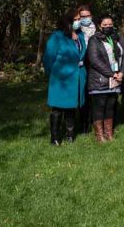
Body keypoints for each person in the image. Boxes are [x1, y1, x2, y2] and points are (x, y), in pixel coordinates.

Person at [43, 8, 87, 145]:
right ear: (67, 21)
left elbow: (81, 54)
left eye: (79, 19)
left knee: (71, 107)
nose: (78, 22)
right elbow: (48, 58)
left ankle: (70, 135)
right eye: (75, 19)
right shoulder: (57, 36)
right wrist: (52, 74)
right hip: (61, 79)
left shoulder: (80, 36)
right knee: (57, 108)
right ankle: (55, 137)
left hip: (76, 78)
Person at [86, 15, 124, 142]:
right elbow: (94, 60)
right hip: (100, 80)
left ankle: (109, 134)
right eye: (105, 25)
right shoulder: (94, 40)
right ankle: (100, 136)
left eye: (110, 24)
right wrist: (111, 73)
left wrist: (122, 72)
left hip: (115, 79)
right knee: (100, 107)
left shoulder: (117, 38)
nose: (108, 27)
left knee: (110, 106)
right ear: (99, 26)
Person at [77, 4, 95, 133]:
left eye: (87, 16)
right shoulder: (76, 31)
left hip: (96, 66)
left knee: (95, 95)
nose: (85, 18)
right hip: (82, 66)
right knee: (83, 95)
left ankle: (95, 121)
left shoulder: (98, 29)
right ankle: (84, 124)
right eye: (82, 16)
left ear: (91, 16)